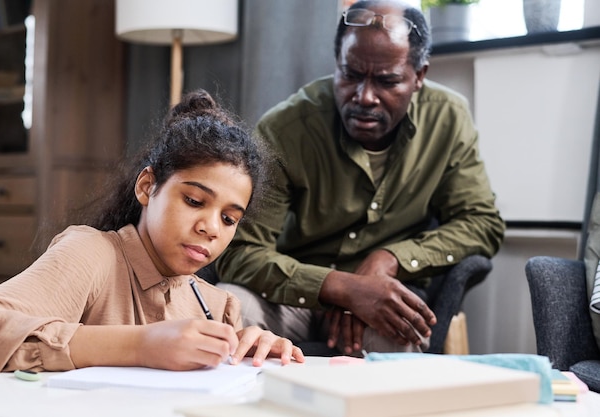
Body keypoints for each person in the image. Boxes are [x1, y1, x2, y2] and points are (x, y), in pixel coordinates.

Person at [215, 0, 505, 356]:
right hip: (292, 291)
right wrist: (341, 287)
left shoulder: (448, 118)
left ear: (420, 76)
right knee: (228, 311)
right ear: (336, 62)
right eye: (350, 74)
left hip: (387, 293)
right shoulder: (286, 129)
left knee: (394, 339)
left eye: (387, 81)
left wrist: (389, 259)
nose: (364, 96)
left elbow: (481, 223)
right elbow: (241, 251)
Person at [0, 90, 305, 378]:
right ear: (147, 187)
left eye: (230, 219)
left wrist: (259, 351)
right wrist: (141, 344)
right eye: (193, 201)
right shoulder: (91, 254)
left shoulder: (219, 306)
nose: (211, 228)